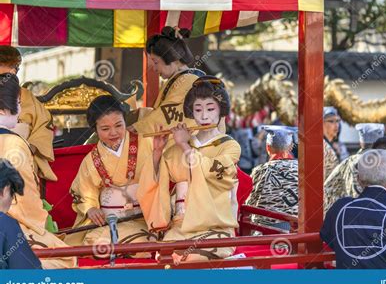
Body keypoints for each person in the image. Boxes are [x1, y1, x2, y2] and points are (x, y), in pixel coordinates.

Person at [138, 76, 241, 263]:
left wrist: (185, 145)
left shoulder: (230, 146)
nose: (204, 116)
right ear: (191, 113)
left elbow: (210, 172)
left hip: (214, 227)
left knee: (191, 259)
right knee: (166, 258)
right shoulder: (177, 146)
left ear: (221, 111)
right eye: (198, 109)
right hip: (181, 226)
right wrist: (158, 151)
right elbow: (156, 180)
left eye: (210, 109)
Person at [0, 74, 74, 269]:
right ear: (7, 107)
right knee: (65, 259)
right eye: (17, 103)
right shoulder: (14, 144)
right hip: (11, 223)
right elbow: (26, 201)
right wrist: (38, 222)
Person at [66, 96, 161, 248]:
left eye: (119, 125)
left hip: (145, 217)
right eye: (105, 129)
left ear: (125, 121)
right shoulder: (92, 159)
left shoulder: (148, 143)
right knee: (94, 241)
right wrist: (90, 208)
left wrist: (157, 154)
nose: (113, 133)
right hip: (110, 220)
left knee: (145, 239)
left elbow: (163, 175)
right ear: (95, 130)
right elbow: (84, 192)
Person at [131, 27, 205, 136]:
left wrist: (135, 127)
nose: (155, 69)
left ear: (173, 58)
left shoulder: (188, 80)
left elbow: (164, 115)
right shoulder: (181, 78)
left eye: (156, 62)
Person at [0, 46, 56, 182]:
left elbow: (45, 123)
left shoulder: (26, 95)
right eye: (7, 65)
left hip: (25, 155)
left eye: (16, 67)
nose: (13, 70)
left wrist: (33, 147)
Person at [324, 123, 384, 214]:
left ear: (361, 143)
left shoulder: (348, 161)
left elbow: (328, 187)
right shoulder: (382, 162)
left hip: (346, 214)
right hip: (372, 214)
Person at [246, 126, 298, 232]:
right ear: (291, 147)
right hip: (298, 232)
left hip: (265, 233)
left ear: (268, 148)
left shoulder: (260, 171)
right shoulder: (304, 170)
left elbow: (248, 202)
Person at [0, 160, 42, 269]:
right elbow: (28, 279)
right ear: (5, 190)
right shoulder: (5, 223)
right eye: (13, 195)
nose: (10, 203)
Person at [323, 106, 340, 181]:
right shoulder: (321, 146)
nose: (336, 125)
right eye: (331, 121)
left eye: (337, 121)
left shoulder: (336, 145)